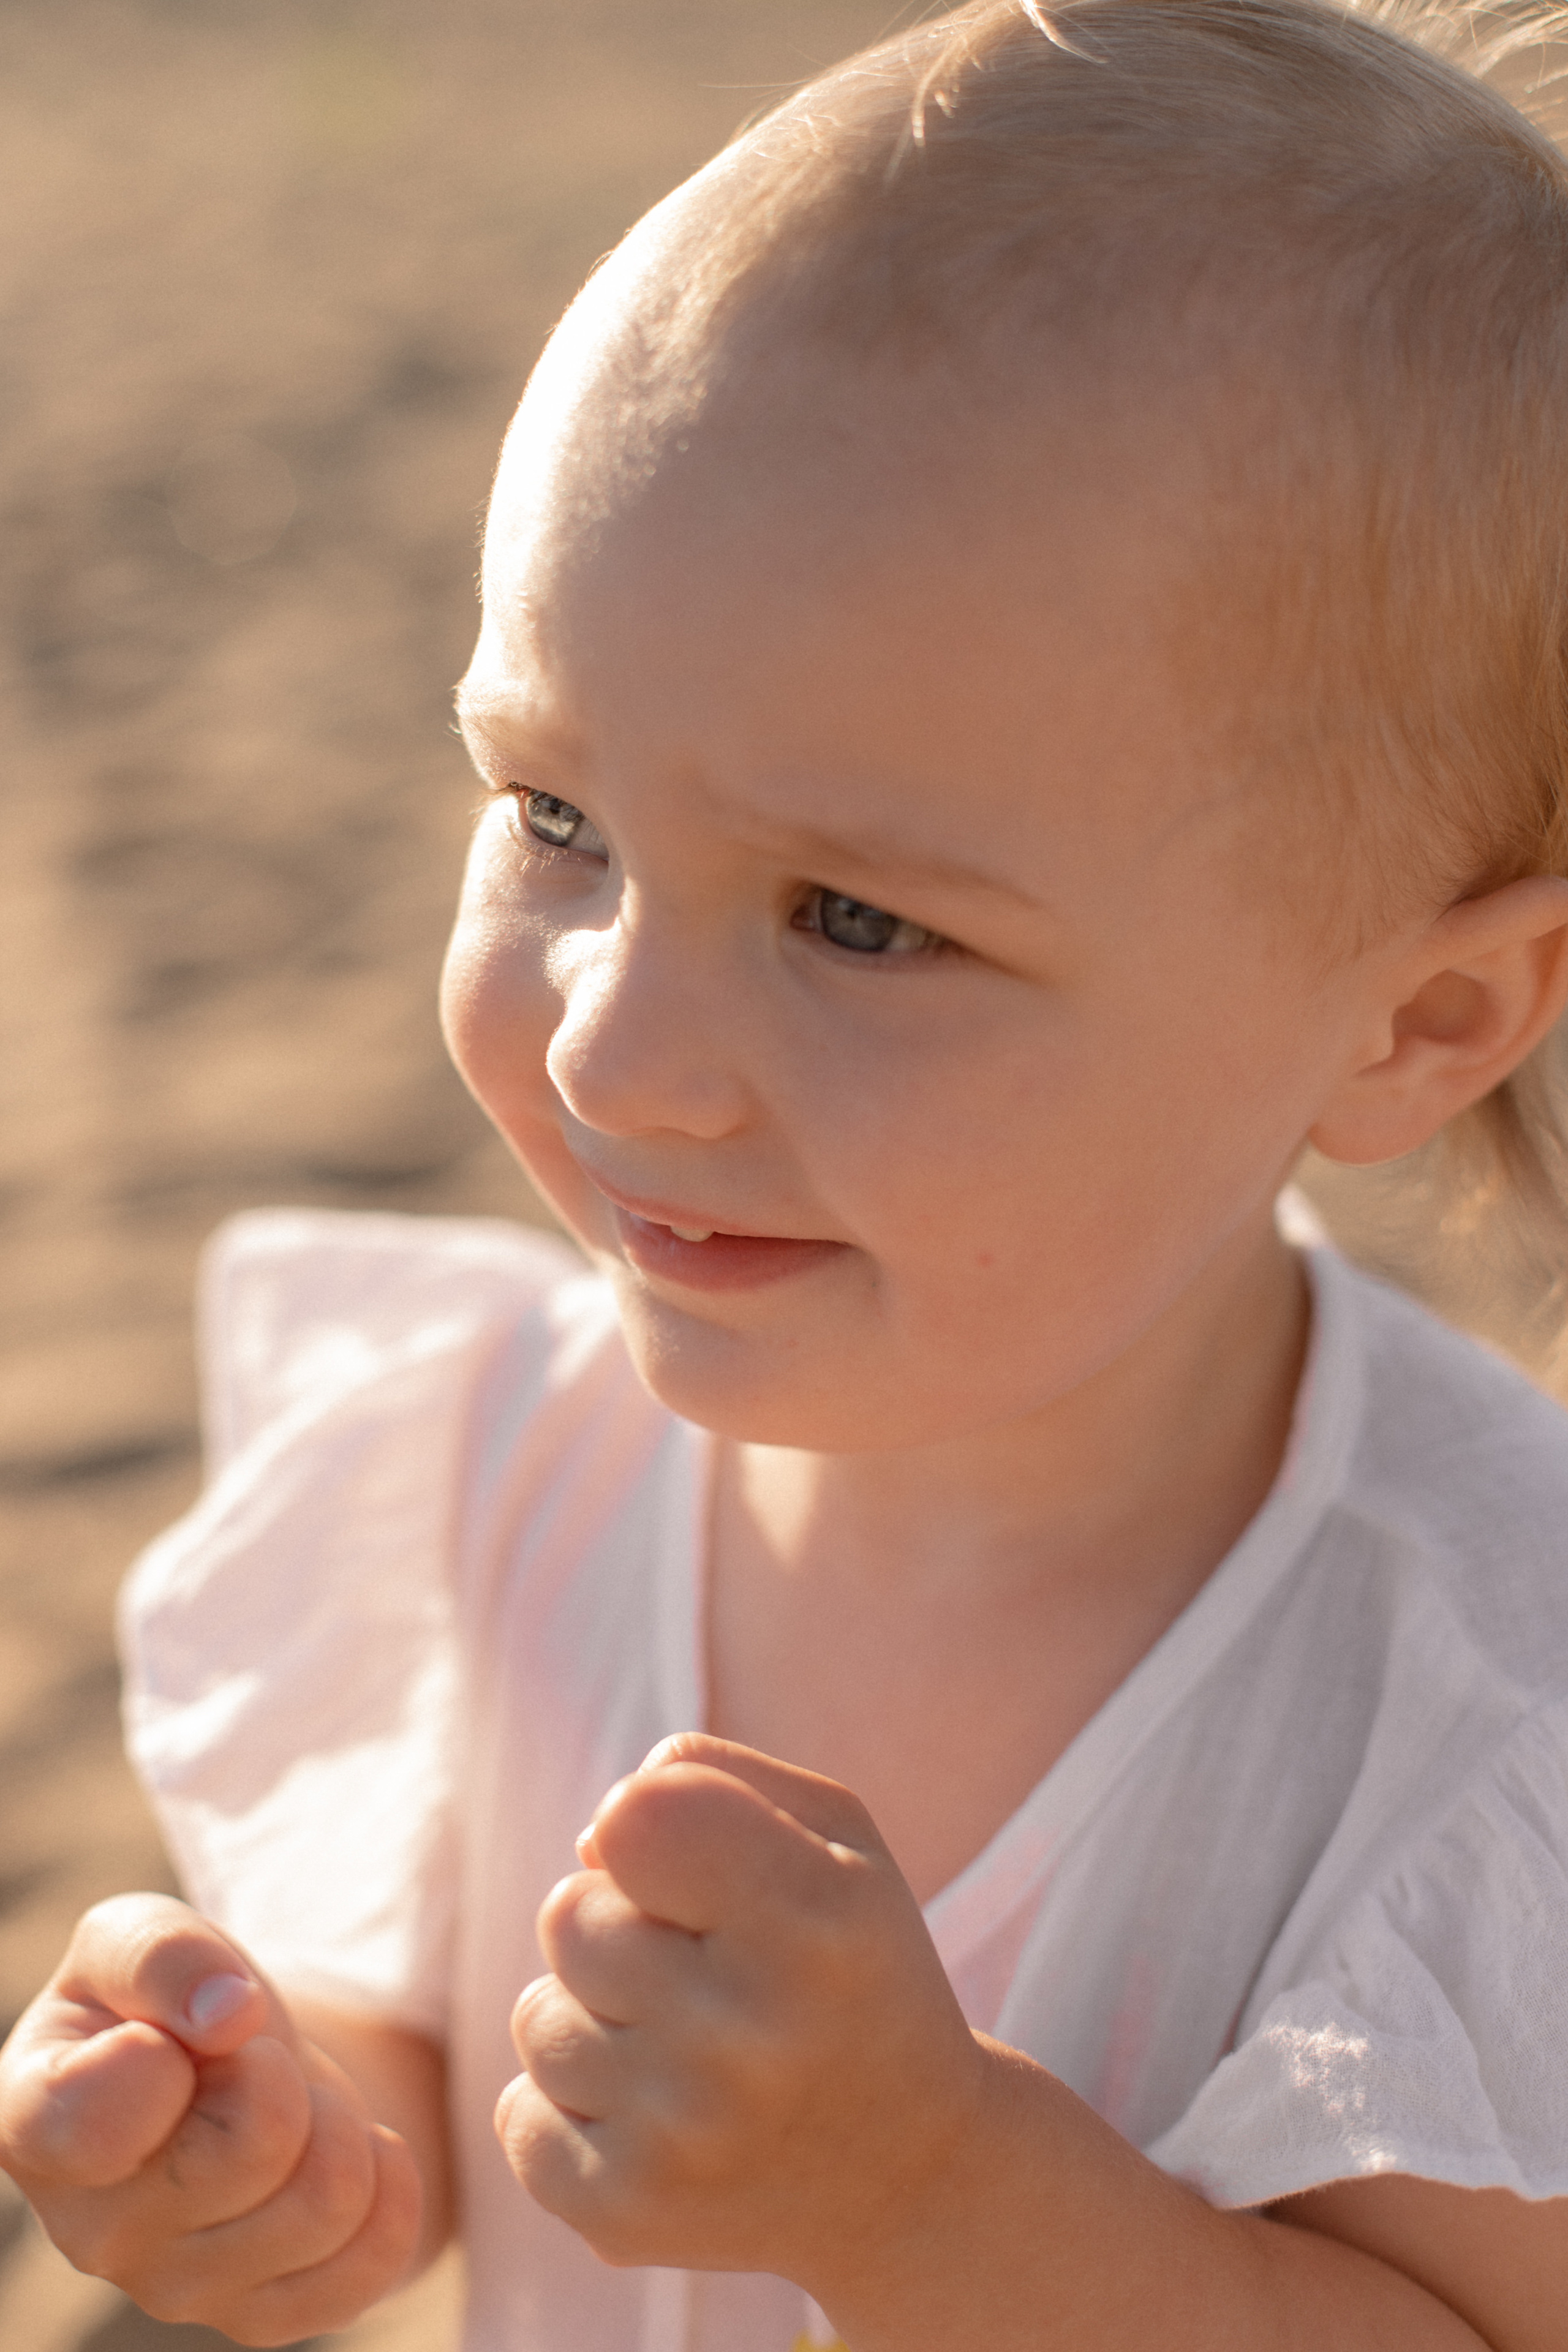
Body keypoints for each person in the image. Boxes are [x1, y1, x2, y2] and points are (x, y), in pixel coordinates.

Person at [6, 0, 1568, 2343]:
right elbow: (453, 2099)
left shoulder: (1481, 1699)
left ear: (1421, 1022)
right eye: (556, 817)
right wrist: (292, 2136)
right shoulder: (491, 1460)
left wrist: (934, 2200)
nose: (617, 1048)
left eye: (860, 921)